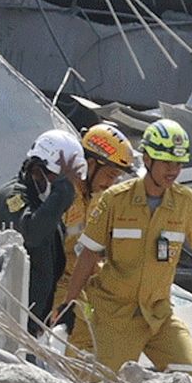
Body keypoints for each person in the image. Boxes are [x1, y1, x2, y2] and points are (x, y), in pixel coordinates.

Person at [52, 119, 192, 379]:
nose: (173, 170)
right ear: (147, 159)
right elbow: (88, 253)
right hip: (115, 316)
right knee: (103, 381)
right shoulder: (115, 200)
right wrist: (68, 303)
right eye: (167, 162)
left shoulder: (184, 203)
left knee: (187, 375)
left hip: (158, 315)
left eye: (178, 164)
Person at [0, 130, 84, 333]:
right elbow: (32, 233)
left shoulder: (42, 205)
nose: (67, 187)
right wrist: (62, 192)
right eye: (60, 179)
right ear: (38, 170)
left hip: (27, 323)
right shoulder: (13, 197)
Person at [53, 123, 137, 319]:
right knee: (83, 331)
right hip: (56, 285)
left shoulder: (95, 198)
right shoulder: (62, 197)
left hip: (80, 281)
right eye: (110, 175)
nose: (110, 184)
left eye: (116, 178)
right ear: (90, 164)